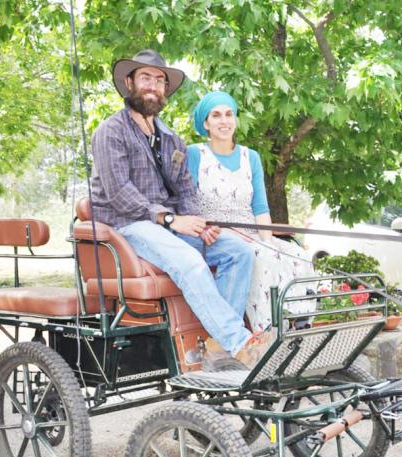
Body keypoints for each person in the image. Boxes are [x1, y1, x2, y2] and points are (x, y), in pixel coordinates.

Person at [88, 50, 269, 369]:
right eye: (145, 78)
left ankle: (217, 346)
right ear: (129, 83)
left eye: (160, 80)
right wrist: (171, 219)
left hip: (167, 226)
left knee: (238, 252)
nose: (153, 85)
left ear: (165, 91)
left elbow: (185, 189)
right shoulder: (110, 131)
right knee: (191, 262)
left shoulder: (171, 139)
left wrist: (199, 224)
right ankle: (239, 342)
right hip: (127, 225)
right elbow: (119, 193)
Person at [186, 91, 316, 332]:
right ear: (205, 123)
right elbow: (187, 203)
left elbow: (260, 207)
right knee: (262, 256)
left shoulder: (251, 157)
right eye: (216, 115)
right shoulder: (195, 154)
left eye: (229, 114)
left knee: (297, 255)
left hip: (253, 233)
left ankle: (299, 321)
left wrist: (269, 241)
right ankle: (266, 331)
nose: (224, 121)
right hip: (213, 236)